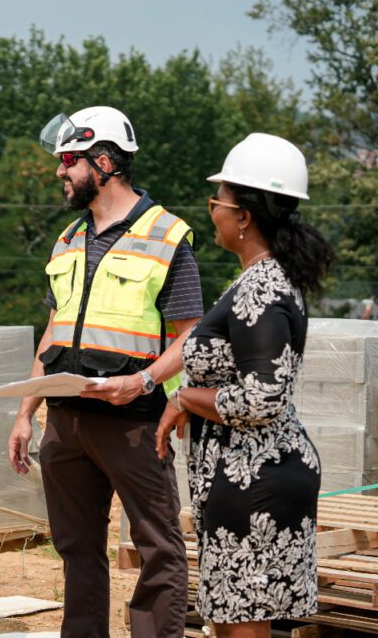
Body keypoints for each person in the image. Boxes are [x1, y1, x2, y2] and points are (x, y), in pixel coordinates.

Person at [7, 106, 203, 637]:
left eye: (68, 160)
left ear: (104, 162)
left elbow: (190, 335)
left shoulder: (166, 237)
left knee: (157, 548)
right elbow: (53, 330)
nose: (59, 172)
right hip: (65, 423)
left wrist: (142, 382)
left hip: (134, 421)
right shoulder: (68, 239)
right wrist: (27, 411)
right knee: (76, 550)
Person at [155, 133, 334, 638]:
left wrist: (185, 398)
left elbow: (263, 397)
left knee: (242, 628)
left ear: (244, 216)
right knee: (233, 622)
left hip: (256, 481)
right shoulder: (258, 280)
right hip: (243, 479)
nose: (211, 211)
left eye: (217, 202)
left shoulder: (264, 290)